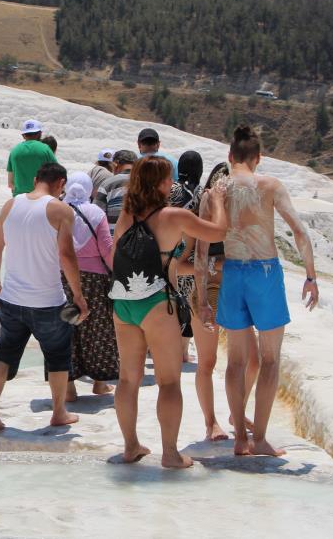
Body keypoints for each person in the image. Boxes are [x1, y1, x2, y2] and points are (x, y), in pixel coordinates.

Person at [109, 155, 227, 468]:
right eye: (168, 179)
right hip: (157, 304)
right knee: (169, 382)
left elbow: (113, 254)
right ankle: (171, 454)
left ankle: (131, 446)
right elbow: (218, 232)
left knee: (127, 379)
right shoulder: (174, 216)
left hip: (123, 303)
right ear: (162, 183)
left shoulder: (127, 213)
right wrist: (216, 200)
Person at [216, 125, 318, 457]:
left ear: (231, 157)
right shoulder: (270, 186)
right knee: (270, 360)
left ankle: (239, 440)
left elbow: (204, 248)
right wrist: (311, 276)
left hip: (232, 271)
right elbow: (300, 232)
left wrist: (203, 297)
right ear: (259, 158)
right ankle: (259, 438)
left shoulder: (219, 188)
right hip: (264, 271)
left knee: (235, 362)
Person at [0, 163, 88, 430]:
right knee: (57, 355)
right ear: (61, 183)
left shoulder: (10, 205)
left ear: (35, 179)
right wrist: (78, 295)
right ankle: (58, 412)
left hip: (12, 297)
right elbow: (67, 256)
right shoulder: (61, 210)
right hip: (47, 301)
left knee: (4, 352)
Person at [190, 162, 260, 441]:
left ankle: (237, 411)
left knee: (252, 361)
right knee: (207, 361)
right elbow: (196, 257)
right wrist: (203, 293)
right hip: (211, 289)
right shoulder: (205, 216)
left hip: (236, 289)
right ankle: (210, 423)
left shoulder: (239, 216)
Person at [60, 172, 118, 401]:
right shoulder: (96, 212)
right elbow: (106, 248)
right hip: (95, 279)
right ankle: (99, 383)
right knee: (99, 330)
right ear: (89, 189)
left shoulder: (57, 210)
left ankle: (68, 388)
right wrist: (117, 271)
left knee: (66, 331)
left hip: (62, 277)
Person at [169, 150, 203, 360]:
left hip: (167, 249)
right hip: (190, 254)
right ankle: (182, 352)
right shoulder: (201, 193)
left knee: (167, 300)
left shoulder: (170, 189)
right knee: (187, 303)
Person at [6, 120, 57, 196]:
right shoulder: (45, 149)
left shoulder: (14, 151)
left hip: (19, 198)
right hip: (40, 197)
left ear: (23, 135)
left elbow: (10, 183)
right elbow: (57, 173)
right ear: (40, 133)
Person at [93, 150, 137, 234]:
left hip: (114, 239)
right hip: (141, 241)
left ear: (115, 164)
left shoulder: (108, 184)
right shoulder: (146, 183)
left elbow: (97, 215)